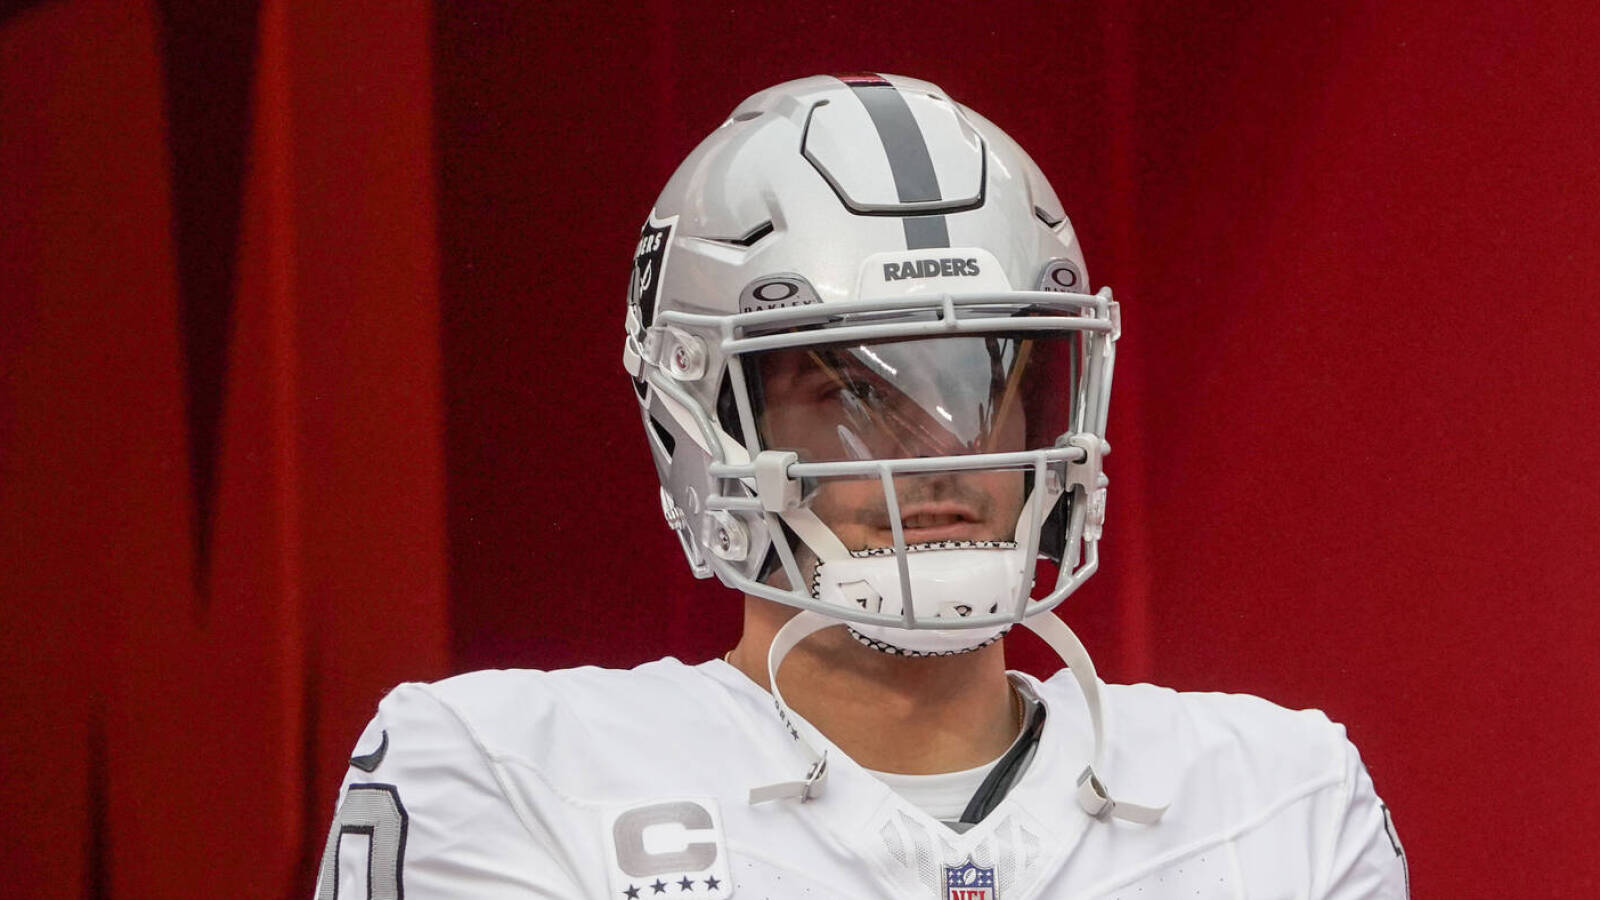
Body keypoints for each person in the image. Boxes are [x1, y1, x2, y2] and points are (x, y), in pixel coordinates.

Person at [314, 73, 1409, 899]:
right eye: (848, 387)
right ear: (703, 420)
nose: (939, 449)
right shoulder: (508, 772)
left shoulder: (1284, 796)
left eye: (985, 378)